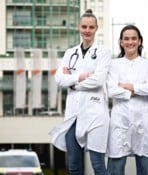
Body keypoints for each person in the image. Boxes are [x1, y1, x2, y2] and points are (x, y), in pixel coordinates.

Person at [49, 9, 111, 175]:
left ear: (96, 28)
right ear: (79, 27)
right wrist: (81, 77)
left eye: (91, 27)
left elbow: (98, 80)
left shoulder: (103, 52)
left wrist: (74, 82)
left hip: (95, 113)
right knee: (74, 166)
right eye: (84, 26)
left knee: (98, 164)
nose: (87, 31)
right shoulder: (70, 53)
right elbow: (59, 79)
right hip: (73, 116)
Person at [107, 25, 148, 175]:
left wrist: (128, 87)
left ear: (140, 41)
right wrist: (136, 91)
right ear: (121, 42)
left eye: (134, 38)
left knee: (147, 169)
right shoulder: (114, 64)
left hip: (144, 121)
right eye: (126, 39)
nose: (130, 42)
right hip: (120, 120)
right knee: (115, 168)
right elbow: (111, 90)